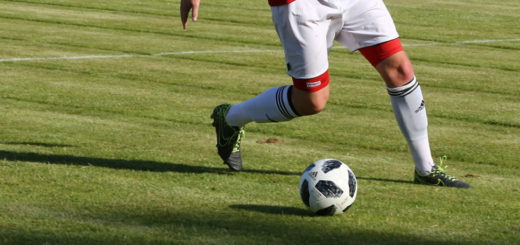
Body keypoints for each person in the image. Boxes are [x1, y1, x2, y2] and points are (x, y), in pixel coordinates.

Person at [180, 0, 471, 188]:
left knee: (400, 70)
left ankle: (426, 169)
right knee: (312, 101)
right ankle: (230, 118)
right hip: (300, 6)